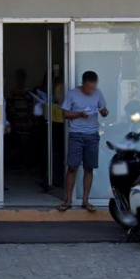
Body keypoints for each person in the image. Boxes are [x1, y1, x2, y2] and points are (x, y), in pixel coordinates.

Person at [58, 70, 107, 212]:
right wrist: (79, 114)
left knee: (89, 168)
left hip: (92, 135)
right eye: (88, 88)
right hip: (76, 134)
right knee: (72, 167)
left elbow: (104, 111)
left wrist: (104, 112)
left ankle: (85, 201)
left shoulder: (98, 93)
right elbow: (64, 114)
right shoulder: (72, 94)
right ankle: (68, 200)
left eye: (93, 87)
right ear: (83, 83)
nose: (90, 91)